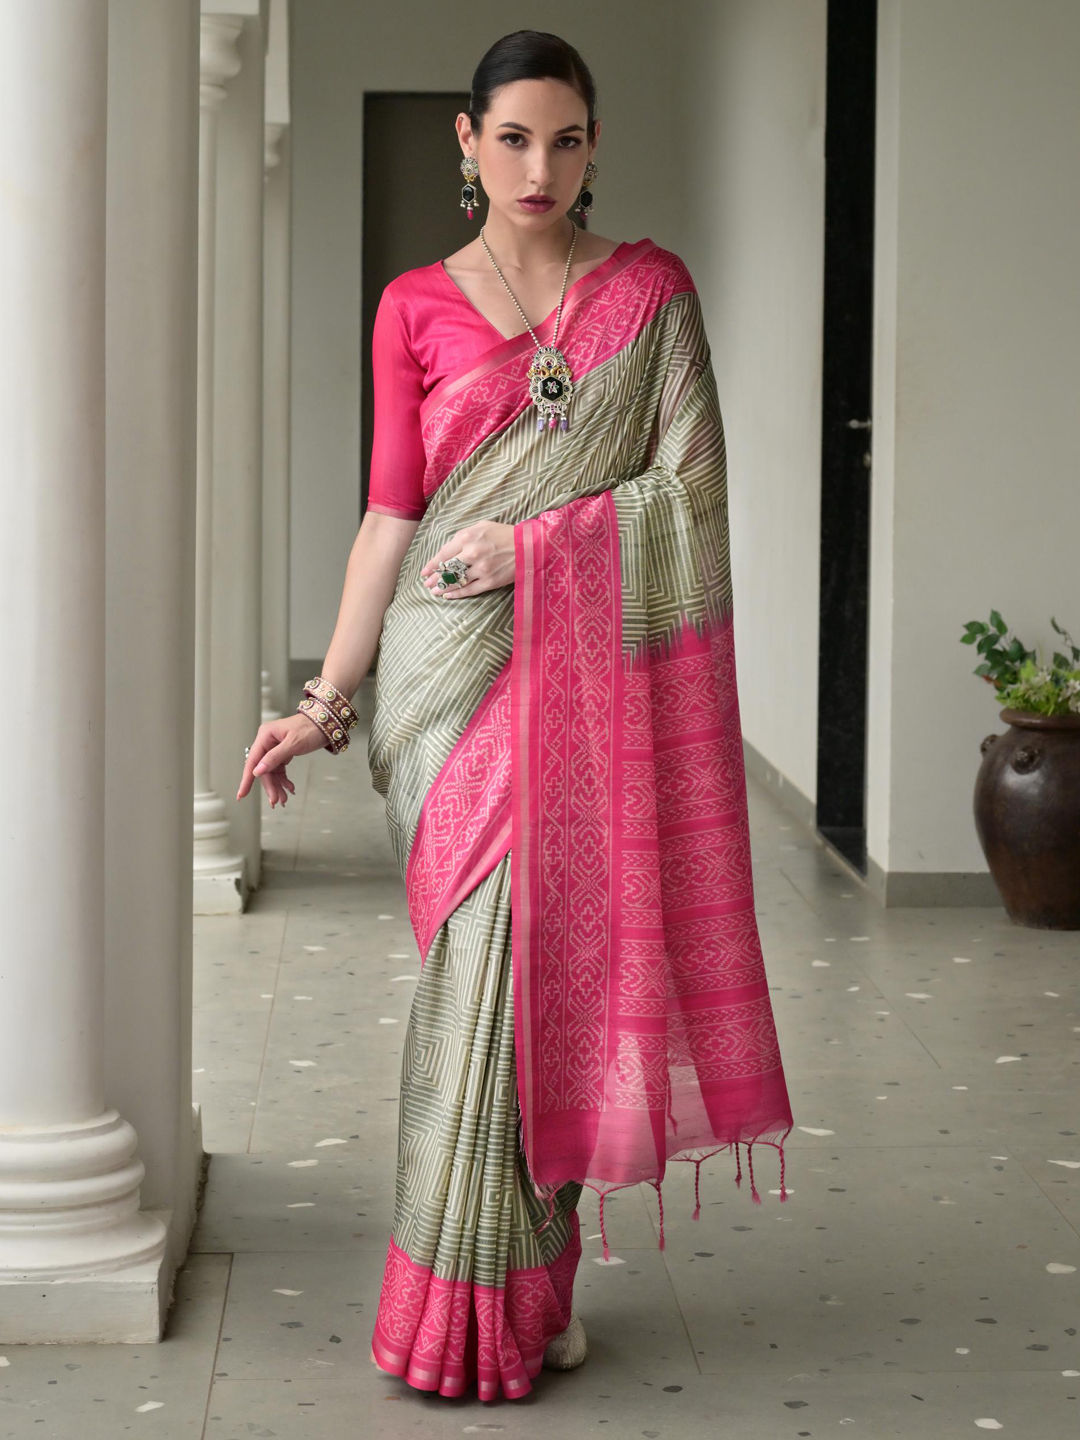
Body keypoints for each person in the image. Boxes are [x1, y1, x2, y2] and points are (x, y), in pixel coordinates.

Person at [237, 28, 794, 1405]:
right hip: (447, 683)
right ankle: (467, 1300)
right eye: (513, 138)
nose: (539, 166)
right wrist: (324, 701)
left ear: (595, 148)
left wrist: (541, 547)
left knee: (557, 981)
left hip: (586, 679)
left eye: (566, 139)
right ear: (468, 143)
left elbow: (693, 499)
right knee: (479, 976)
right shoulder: (413, 305)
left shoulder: (651, 296)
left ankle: (526, 1296)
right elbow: (391, 517)